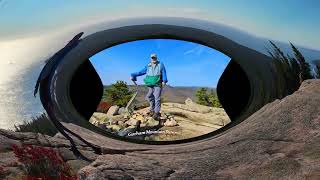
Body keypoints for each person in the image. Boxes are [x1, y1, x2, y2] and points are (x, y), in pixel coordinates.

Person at [130, 53, 168, 121]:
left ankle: (156, 112)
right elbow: (141, 72)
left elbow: (164, 72)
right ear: (150, 58)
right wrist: (133, 75)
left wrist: (164, 80)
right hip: (150, 84)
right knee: (149, 96)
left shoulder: (160, 64)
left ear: (156, 58)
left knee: (157, 98)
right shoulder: (148, 65)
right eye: (152, 58)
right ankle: (152, 109)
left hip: (157, 83)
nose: (153, 59)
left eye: (154, 57)